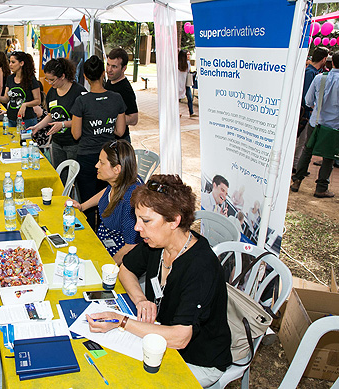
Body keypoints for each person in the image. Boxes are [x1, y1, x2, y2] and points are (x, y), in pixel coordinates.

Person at [88, 175, 232, 387]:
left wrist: (123, 321)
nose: (137, 228)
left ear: (174, 221)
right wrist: (140, 300)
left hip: (196, 359)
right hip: (160, 334)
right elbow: (125, 269)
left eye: (146, 221)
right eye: (137, 219)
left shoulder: (201, 267)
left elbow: (180, 338)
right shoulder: (156, 243)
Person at [71, 55, 126, 226]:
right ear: (103, 73)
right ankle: (105, 238)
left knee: (87, 205)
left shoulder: (81, 101)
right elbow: (120, 130)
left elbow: (76, 134)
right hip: (109, 159)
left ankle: (91, 239)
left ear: (85, 77)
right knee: (107, 201)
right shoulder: (116, 98)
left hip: (87, 158)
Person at [70, 140, 142, 264]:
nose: (96, 165)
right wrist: (82, 206)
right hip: (103, 244)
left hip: (117, 256)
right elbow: (107, 193)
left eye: (102, 163)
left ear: (117, 169)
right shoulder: (118, 181)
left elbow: (131, 245)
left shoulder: (131, 200)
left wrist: (109, 267)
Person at [291, 51, 339, 199]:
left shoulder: (319, 78)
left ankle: (297, 181)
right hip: (334, 126)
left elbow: (308, 99)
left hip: (316, 122)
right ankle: (321, 187)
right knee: (329, 157)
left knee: (307, 150)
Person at [28, 58, 85, 167]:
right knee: (60, 174)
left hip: (73, 143)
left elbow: (84, 120)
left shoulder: (78, 92)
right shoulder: (52, 92)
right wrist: (38, 126)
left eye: (52, 80)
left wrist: (63, 124)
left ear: (63, 76)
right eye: (47, 79)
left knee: (74, 177)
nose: (49, 83)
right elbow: (51, 114)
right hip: (57, 142)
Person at [293, 47, 329, 171]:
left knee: (302, 142)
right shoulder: (310, 73)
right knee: (301, 141)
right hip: (304, 113)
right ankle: (296, 166)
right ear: (324, 59)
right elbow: (306, 97)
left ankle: (296, 165)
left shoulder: (313, 72)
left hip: (306, 113)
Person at [0, 51, 41, 128]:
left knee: (26, 140)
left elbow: (38, 100)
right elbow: (6, 98)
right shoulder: (10, 78)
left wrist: (25, 104)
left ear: (21, 63)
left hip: (27, 120)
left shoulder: (31, 79)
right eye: (9, 62)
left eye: (13, 62)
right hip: (11, 118)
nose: (10, 64)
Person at [105, 48, 139, 141]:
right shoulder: (110, 81)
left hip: (120, 141)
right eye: (108, 64)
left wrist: (111, 117)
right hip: (107, 138)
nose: (109, 70)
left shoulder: (126, 90)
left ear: (124, 68)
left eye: (114, 67)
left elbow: (134, 119)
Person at [178, 49, 195, 118]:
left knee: (190, 97)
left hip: (185, 83)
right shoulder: (177, 63)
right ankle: (177, 112)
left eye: (189, 54)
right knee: (176, 99)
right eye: (187, 55)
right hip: (178, 83)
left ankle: (191, 112)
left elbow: (188, 72)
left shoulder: (188, 63)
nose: (189, 56)